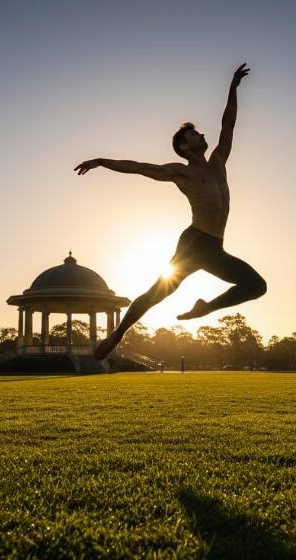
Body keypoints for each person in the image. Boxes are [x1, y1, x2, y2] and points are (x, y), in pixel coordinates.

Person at [75, 63, 266, 360]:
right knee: (159, 292)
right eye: (194, 135)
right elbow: (140, 168)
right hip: (194, 242)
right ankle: (119, 332)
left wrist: (232, 87)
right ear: (183, 147)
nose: (202, 135)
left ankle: (206, 307)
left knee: (256, 286)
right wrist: (101, 160)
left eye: (200, 132)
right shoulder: (181, 172)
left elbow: (228, 125)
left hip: (215, 248)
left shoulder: (218, 162)